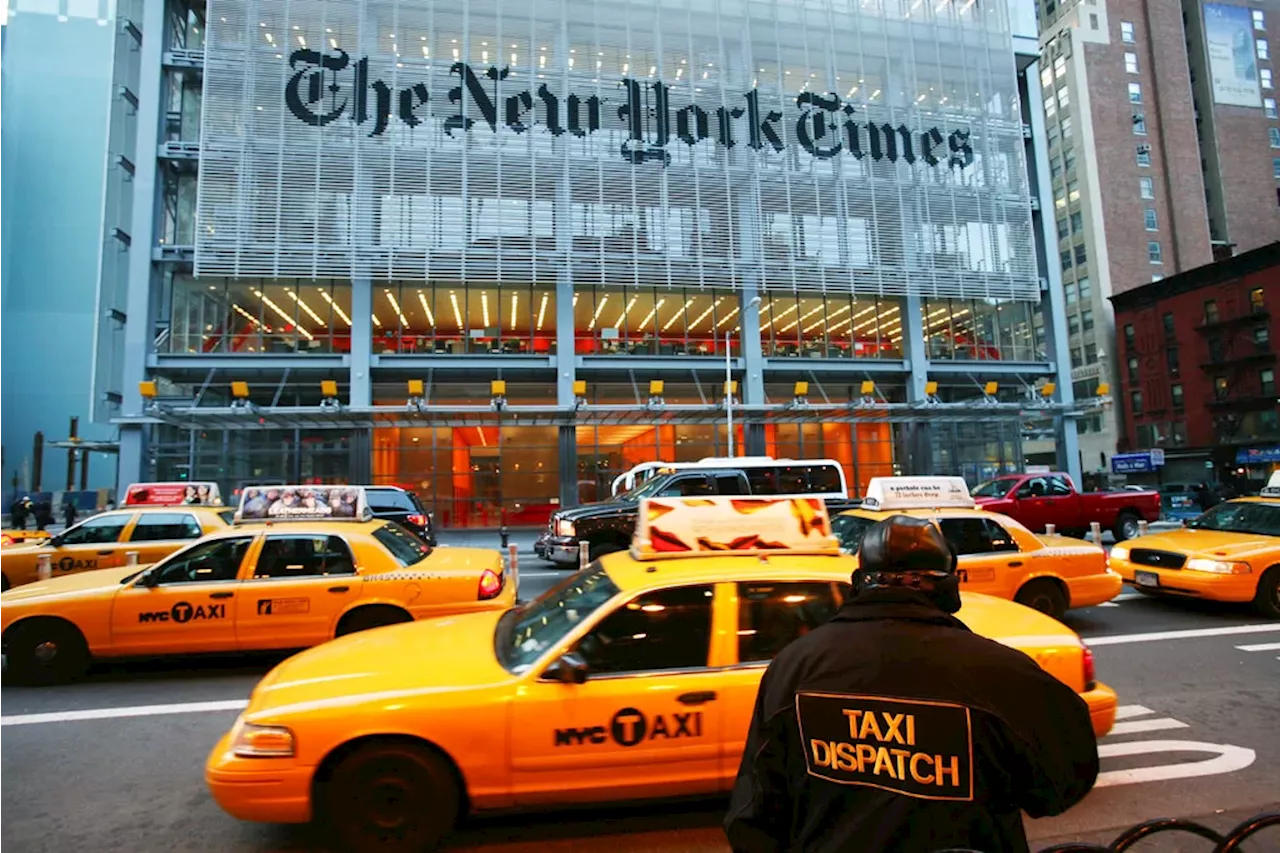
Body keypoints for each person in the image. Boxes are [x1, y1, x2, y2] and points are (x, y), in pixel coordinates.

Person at [724, 514, 1099, 853]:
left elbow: (753, 810)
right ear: (948, 586)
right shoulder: (999, 673)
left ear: (859, 582)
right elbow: (1064, 780)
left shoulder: (794, 667)